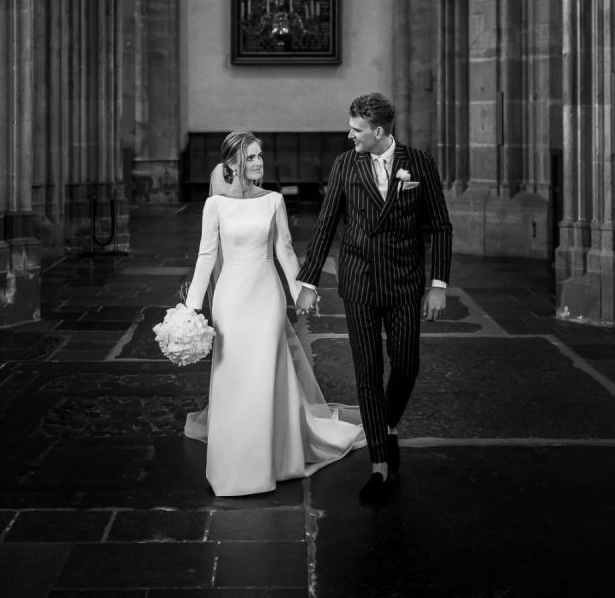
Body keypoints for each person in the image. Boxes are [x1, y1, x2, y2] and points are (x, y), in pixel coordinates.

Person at [183, 130, 365, 497]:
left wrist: (301, 292)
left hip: (266, 296)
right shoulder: (215, 205)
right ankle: (234, 466)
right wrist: (190, 311)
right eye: (250, 157)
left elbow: (284, 251)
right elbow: (206, 257)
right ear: (233, 162)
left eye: (260, 155)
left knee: (266, 372)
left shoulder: (274, 201)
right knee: (234, 376)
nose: (258, 162)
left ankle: (271, 462)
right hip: (231, 299)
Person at [296, 92, 453, 504]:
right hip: (359, 282)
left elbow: (440, 226)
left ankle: (384, 425)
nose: (350, 135)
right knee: (367, 373)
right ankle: (379, 466)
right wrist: (308, 281)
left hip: (404, 282)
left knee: (406, 365)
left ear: (379, 131)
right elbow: (327, 224)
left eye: (356, 129)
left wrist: (438, 284)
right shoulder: (346, 164)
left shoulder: (419, 163)